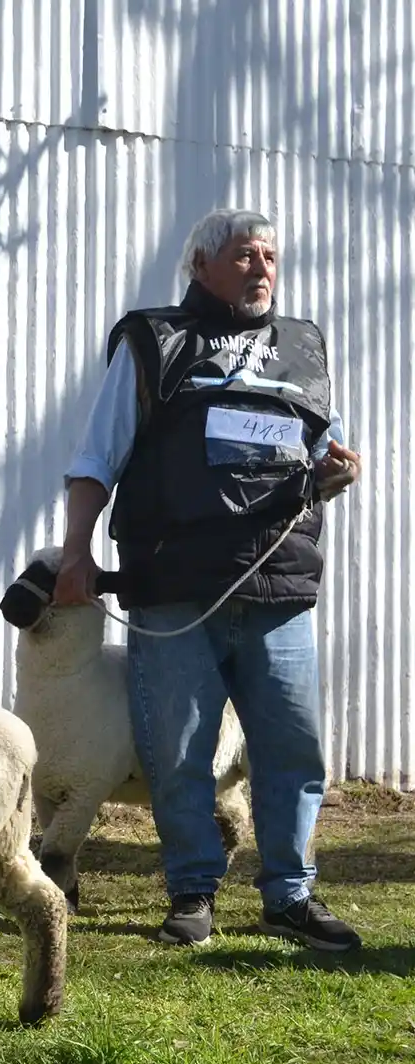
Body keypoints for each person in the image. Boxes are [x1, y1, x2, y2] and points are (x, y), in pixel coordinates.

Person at [54, 208, 362, 951]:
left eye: (270, 255)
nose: (262, 267)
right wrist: (76, 552)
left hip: (279, 585)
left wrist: (339, 468)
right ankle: (193, 891)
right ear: (200, 266)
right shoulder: (153, 342)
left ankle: (290, 895)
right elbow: (98, 458)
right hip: (174, 588)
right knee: (180, 751)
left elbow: (327, 441)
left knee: (291, 749)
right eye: (244, 255)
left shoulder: (303, 347)